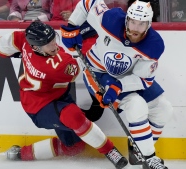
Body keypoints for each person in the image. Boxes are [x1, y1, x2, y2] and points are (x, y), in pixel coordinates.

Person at [0, 21, 128, 169]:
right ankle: (110, 151)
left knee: (74, 148)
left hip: (53, 96)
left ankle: (21, 153)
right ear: (36, 46)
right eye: (48, 44)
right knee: (74, 116)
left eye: (53, 39)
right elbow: (79, 69)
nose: (54, 45)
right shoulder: (56, 67)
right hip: (39, 107)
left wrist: (21, 52)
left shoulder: (23, 40)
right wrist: (84, 42)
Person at [60, 0, 173, 169]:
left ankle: (137, 150)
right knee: (136, 105)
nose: (135, 28)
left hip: (127, 78)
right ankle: (149, 157)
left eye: (141, 25)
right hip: (97, 72)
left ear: (149, 24)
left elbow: (143, 79)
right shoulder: (110, 19)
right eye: (132, 22)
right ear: (126, 19)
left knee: (164, 108)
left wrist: (119, 85)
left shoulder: (154, 45)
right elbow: (89, 3)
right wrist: (72, 26)